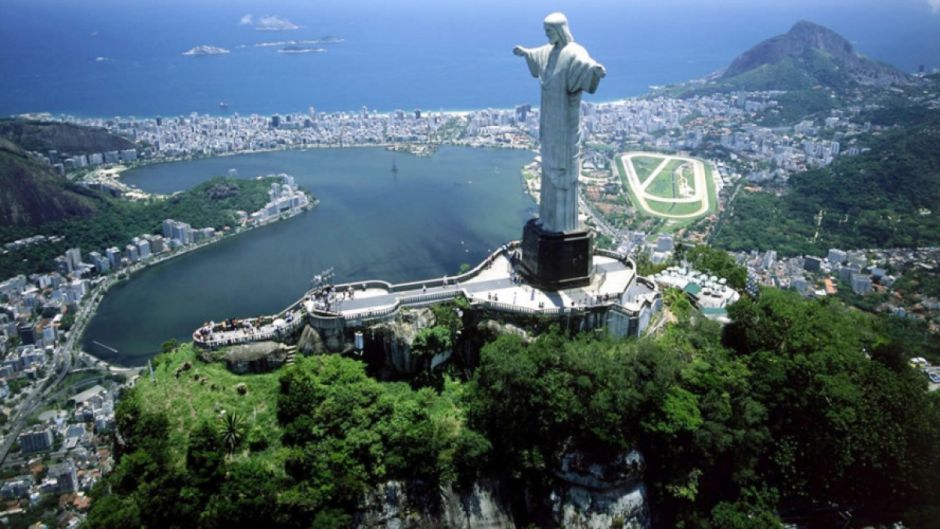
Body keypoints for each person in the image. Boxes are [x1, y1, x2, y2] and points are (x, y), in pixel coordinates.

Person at [513, 12, 606, 233]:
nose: (547, 36)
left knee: (563, 171)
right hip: (549, 122)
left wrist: (595, 71)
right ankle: (547, 219)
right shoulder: (549, 50)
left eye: (550, 31)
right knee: (547, 169)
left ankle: (563, 224)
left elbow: (586, 65)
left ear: (561, 30)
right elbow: (537, 56)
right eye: (546, 32)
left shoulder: (574, 51)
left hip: (565, 124)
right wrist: (525, 52)